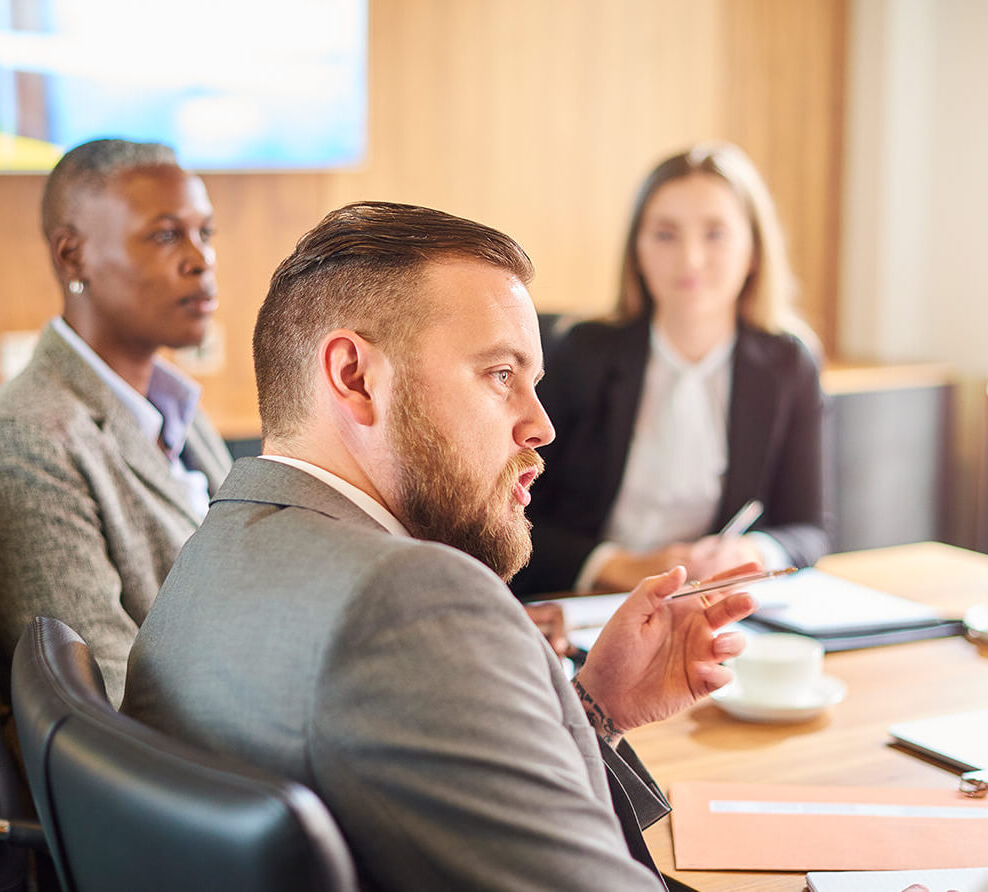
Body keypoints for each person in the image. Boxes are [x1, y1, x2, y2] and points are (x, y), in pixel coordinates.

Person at [122, 201, 757, 890]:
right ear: (355, 377)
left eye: (534, 383)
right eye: (500, 375)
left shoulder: (220, 549)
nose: (540, 425)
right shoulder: (411, 603)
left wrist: (593, 708)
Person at [0, 139, 233, 708]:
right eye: (166, 234)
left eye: (206, 233)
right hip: (207, 777)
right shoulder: (24, 443)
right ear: (72, 256)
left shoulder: (171, 405)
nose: (202, 260)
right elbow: (109, 706)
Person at [511, 142, 829, 599]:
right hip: (588, 601)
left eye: (715, 234)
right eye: (665, 234)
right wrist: (617, 566)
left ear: (754, 250)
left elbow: (810, 528)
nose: (691, 259)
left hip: (705, 604)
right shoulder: (581, 351)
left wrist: (753, 552)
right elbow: (510, 515)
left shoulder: (788, 363)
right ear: (637, 251)